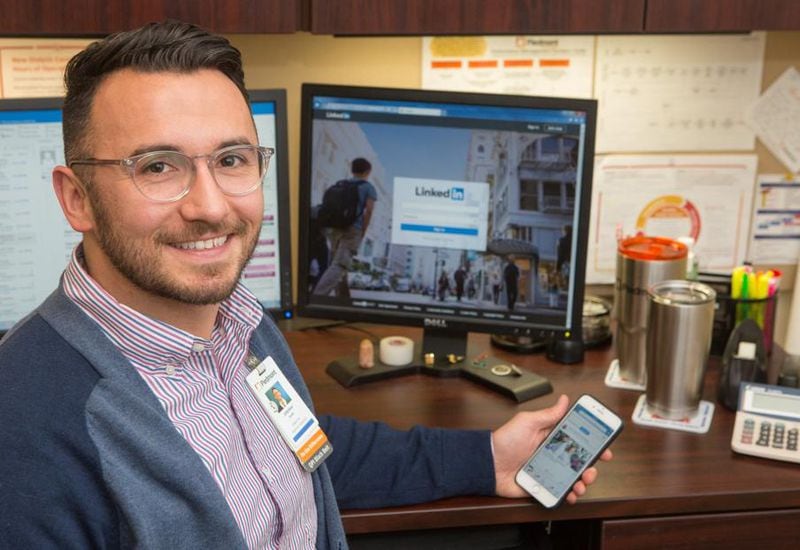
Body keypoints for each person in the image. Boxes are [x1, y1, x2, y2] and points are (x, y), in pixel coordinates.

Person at [0, 21, 611, 549]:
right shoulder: (26, 429)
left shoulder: (240, 323)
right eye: (158, 167)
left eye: (232, 160)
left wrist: (486, 458)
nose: (211, 206)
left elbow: (301, 449)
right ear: (76, 198)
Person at [312, 158, 377, 298]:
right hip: (353, 229)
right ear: (368, 172)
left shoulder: (341, 184)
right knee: (340, 264)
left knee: (338, 262)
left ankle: (343, 299)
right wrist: (362, 232)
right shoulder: (368, 187)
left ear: (352, 169)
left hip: (334, 228)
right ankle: (318, 296)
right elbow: (369, 211)